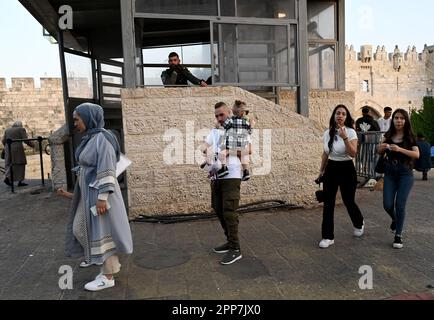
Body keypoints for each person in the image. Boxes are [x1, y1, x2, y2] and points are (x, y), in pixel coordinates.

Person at [59, 103, 133, 291]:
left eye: (77, 119)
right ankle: (108, 264)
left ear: (88, 117)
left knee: (101, 234)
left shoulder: (102, 139)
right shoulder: (92, 138)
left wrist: (102, 197)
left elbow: (107, 167)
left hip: (99, 196)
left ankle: (107, 276)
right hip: (90, 195)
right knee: (84, 229)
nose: (75, 123)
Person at [200, 102, 243, 265]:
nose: (219, 118)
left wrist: (225, 151)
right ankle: (229, 241)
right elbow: (205, 144)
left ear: (229, 113)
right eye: (216, 116)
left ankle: (235, 248)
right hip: (216, 175)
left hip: (231, 174)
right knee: (218, 208)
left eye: (221, 115)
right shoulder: (215, 130)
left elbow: (247, 150)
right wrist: (206, 150)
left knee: (229, 211)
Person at [317, 105, 365, 249]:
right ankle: (327, 236)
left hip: (346, 168)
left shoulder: (350, 132)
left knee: (348, 200)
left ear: (346, 117)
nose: (340, 116)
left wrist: (345, 138)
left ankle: (359, 222)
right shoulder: (327, 133)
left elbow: (353, 153)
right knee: (328, 202)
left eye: (344, 114)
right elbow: (325, 153)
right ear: (334, 116)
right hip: (331, 168)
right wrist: (321, 171)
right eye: (338, 113)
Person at [378, 109, 419, 249]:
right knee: (387, 204)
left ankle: (398, 235)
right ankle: (395, 219)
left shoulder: (410, 137)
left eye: (401, 118)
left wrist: (399, 149)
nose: (399, 120)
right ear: (393, 120)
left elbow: (416, 154)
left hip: (405, 174)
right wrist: (381, 148)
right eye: (396, 118)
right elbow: (378, 151)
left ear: (406, 120)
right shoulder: (388, 135)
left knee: (400, 205)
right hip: (390, 173)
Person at [218, 100, 252, 181]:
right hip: (242, 146)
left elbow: (223, 127)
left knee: (223, 153)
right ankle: (246, 171)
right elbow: (249, 132)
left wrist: (218, 126)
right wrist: (252, 125)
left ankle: (223, 168)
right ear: (243, 113)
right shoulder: (246, 123)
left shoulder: (230, 120)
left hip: (231, 145)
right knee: (243, 156)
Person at [2, 121, 34, 187]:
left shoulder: (7, 130)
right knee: (20, 164)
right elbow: (25, 140)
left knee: (10, 163)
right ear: (20, 125)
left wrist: (6, 146)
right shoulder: (21, 129)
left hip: (8, 148)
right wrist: (32, 145)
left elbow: (3, 140)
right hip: (17, 149)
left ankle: (8, 178)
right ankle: (20, 181)